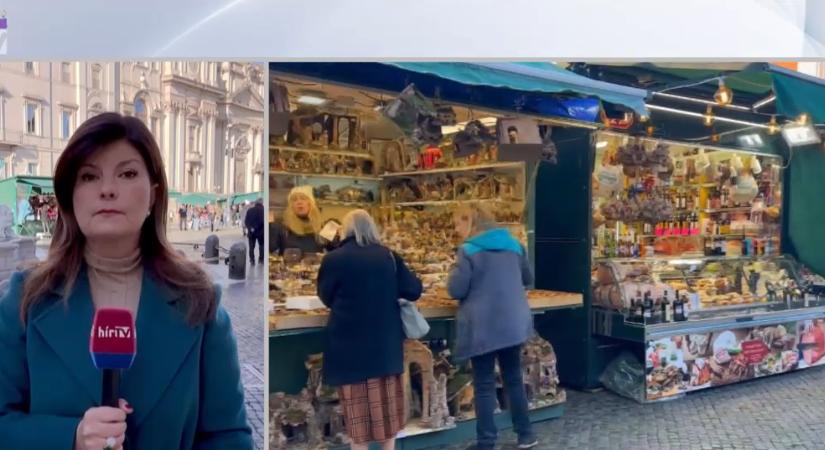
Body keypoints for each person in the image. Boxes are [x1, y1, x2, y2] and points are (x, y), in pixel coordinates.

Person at [0, 113, 252, 449]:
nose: (107, 189)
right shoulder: (26, 299)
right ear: (70, 197)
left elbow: (228, 436)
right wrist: (70, 437)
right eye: (89, 176)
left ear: (153, 194)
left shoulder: (200, 303)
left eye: (128, 173)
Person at [317, 209, 422, 450]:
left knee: (358, 427)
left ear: (347, 230)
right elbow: (413, 289)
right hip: (384, 351)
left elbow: (325, 296)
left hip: (350, 353)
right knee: (388, 422)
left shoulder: (334, 259)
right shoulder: (388, 256)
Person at [447, 204, 538, 450]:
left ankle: (486, 441)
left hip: (483, 325)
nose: (456, 229)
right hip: (513, 322)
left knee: (484, 383)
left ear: (470, 221)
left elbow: (455, 289)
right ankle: (526, 434)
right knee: (514, 379)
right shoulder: (516, 246)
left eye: (458, 223)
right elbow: (528, 279)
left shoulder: (468, 251)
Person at [270, 186, 325, 256]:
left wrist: (336, 239)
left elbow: (333, 250)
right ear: (291, 206)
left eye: (303, 199)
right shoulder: (283, 228)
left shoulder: (321, 227)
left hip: (315, 265)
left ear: (310, 203)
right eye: (295, 200)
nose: (299, 202)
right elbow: (271, 249)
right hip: (289, 266)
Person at [244, 198, 265, 266]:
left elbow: (246, 221)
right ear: (261, 203)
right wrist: (256, 228)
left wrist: (251, 228)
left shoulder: (250, 210)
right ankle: (261, 260)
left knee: (251, 247)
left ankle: (252, 260)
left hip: (251, 232)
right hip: (261, 232)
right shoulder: (263, 210)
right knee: (261, 246)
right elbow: (263, 221)